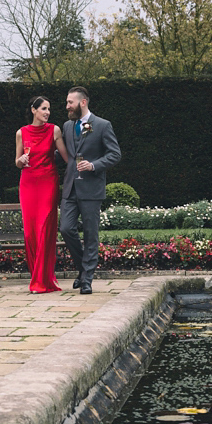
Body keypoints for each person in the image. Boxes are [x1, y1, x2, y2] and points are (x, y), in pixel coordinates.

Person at [60, 86, 121, 294]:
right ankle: (82, 269)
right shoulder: (67, 126)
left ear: (82, 102)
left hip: (91, 189)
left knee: (91, 235)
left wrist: (93, 165)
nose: (67, 106)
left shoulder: (102, 125)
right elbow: (63, 154)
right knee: (66, 229)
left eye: (70, 102)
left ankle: (87, 280)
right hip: (70, 187)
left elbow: (115, 154)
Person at [16, 96, 68, 293]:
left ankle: (41, 281)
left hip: (48, 182)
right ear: (33, 110)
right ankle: (38, 277)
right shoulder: (21, 133)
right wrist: (21, 160)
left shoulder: (54, 130)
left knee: (44, 229)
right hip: (28, 183)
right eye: (44, 109)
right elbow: (17, 162)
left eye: (49, 109)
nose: (47, 112)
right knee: (30, 233)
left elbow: (65, 157)